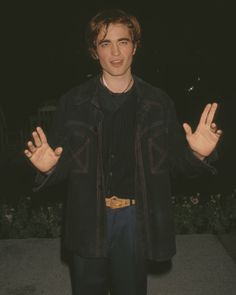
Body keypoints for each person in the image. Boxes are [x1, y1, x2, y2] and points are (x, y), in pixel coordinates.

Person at [24, 9, 222, 295]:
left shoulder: (158, 103)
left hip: (135, 218)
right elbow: (60, 162)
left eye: (123, 42)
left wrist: (198, 155)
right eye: (105, 43)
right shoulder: (73, 102)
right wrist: (49, 169)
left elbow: (177, 167)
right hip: (87, 216)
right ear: (94, 51)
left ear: (135, 46)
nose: (115, 52)